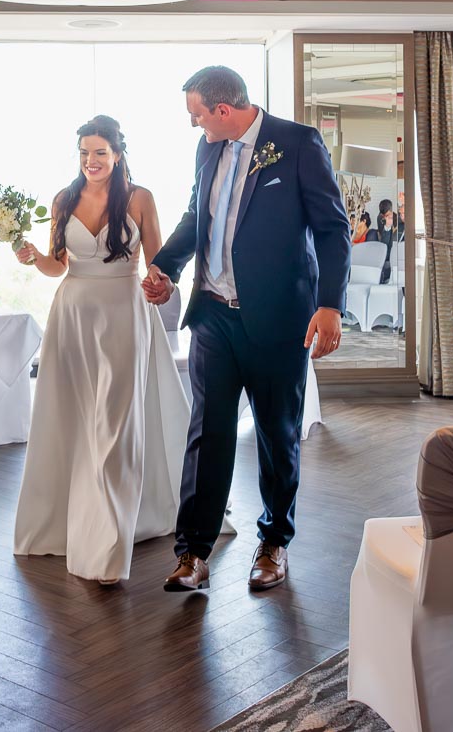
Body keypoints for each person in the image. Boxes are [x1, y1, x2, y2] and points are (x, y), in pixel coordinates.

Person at [143, 65, 350, 592]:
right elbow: (198, 216)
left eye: (198, 116)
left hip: (279, 319)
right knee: (207, 435)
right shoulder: (208, 150)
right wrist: (166, 266)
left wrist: (330, 305)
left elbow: (332, 229)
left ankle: (274, 543)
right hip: (214, 315)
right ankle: (193, 553)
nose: (195, 126)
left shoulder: (297, 144)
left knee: (276, 435)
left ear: (224, 110)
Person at [12, 116, 191, 584]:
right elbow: (58, 266)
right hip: (72, 314)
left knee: (115, 421)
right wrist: (33, 258)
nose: (91, 161)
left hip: (123, 314)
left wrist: (162, 285)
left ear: (117, 153)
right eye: (84, 153)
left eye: (99, 152)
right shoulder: (63, 200)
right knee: (73, 418)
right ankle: (69, 524)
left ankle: (108, 543)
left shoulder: (140, 199)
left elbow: (158, 265)